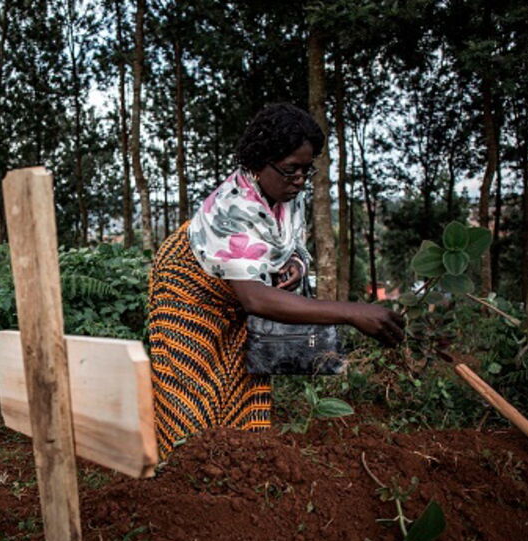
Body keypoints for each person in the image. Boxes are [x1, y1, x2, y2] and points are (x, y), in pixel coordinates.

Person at [148, 103, 405, 457]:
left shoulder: (287, 193)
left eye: (306, 169)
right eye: (290, 170)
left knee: (241, 383)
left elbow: (293, 243)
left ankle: (239, 469)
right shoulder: (233, 206)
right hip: (189, 290)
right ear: (258, 162)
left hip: (237, 291)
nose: (299, 180)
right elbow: (256, 299)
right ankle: (185, 473)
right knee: (190, 393)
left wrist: (296, 264)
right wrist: (351, 312)